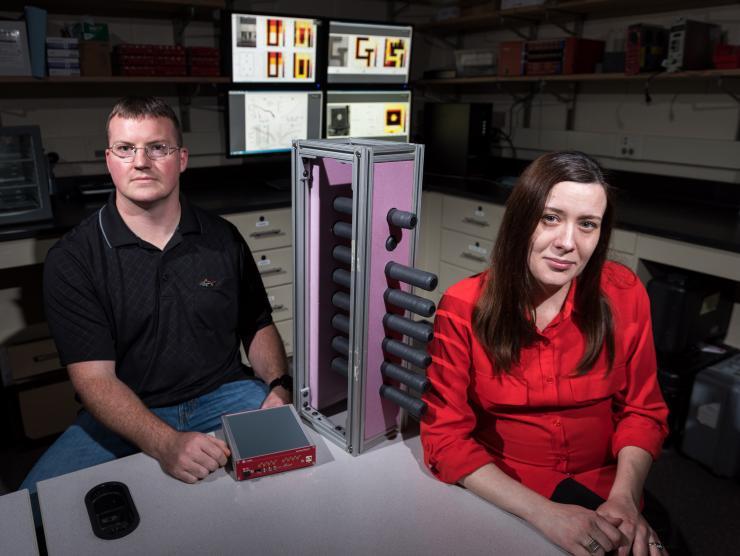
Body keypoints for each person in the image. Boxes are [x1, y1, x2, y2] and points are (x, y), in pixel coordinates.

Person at [21, 96, 291, 491]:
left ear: (181, 158)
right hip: (127, 410)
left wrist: (278, 386)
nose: (141, 161)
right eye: (126, 149)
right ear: (109, 160)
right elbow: (94, 381)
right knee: (30, 512)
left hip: (226, 394)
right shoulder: (75, 258)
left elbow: (257, 323)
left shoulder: (223, 238)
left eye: (157, 147)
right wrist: (164, 443)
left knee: (297, 478)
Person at [420, 151, 670, 556]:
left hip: (609, 489)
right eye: (550, 218)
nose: (567, 243)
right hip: (514, 493)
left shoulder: (625, 293)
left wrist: (624, 498)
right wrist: (547, 515)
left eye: (587, 224)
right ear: (521, 222)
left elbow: (643, 411)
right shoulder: (463, 306)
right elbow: (445, 440)